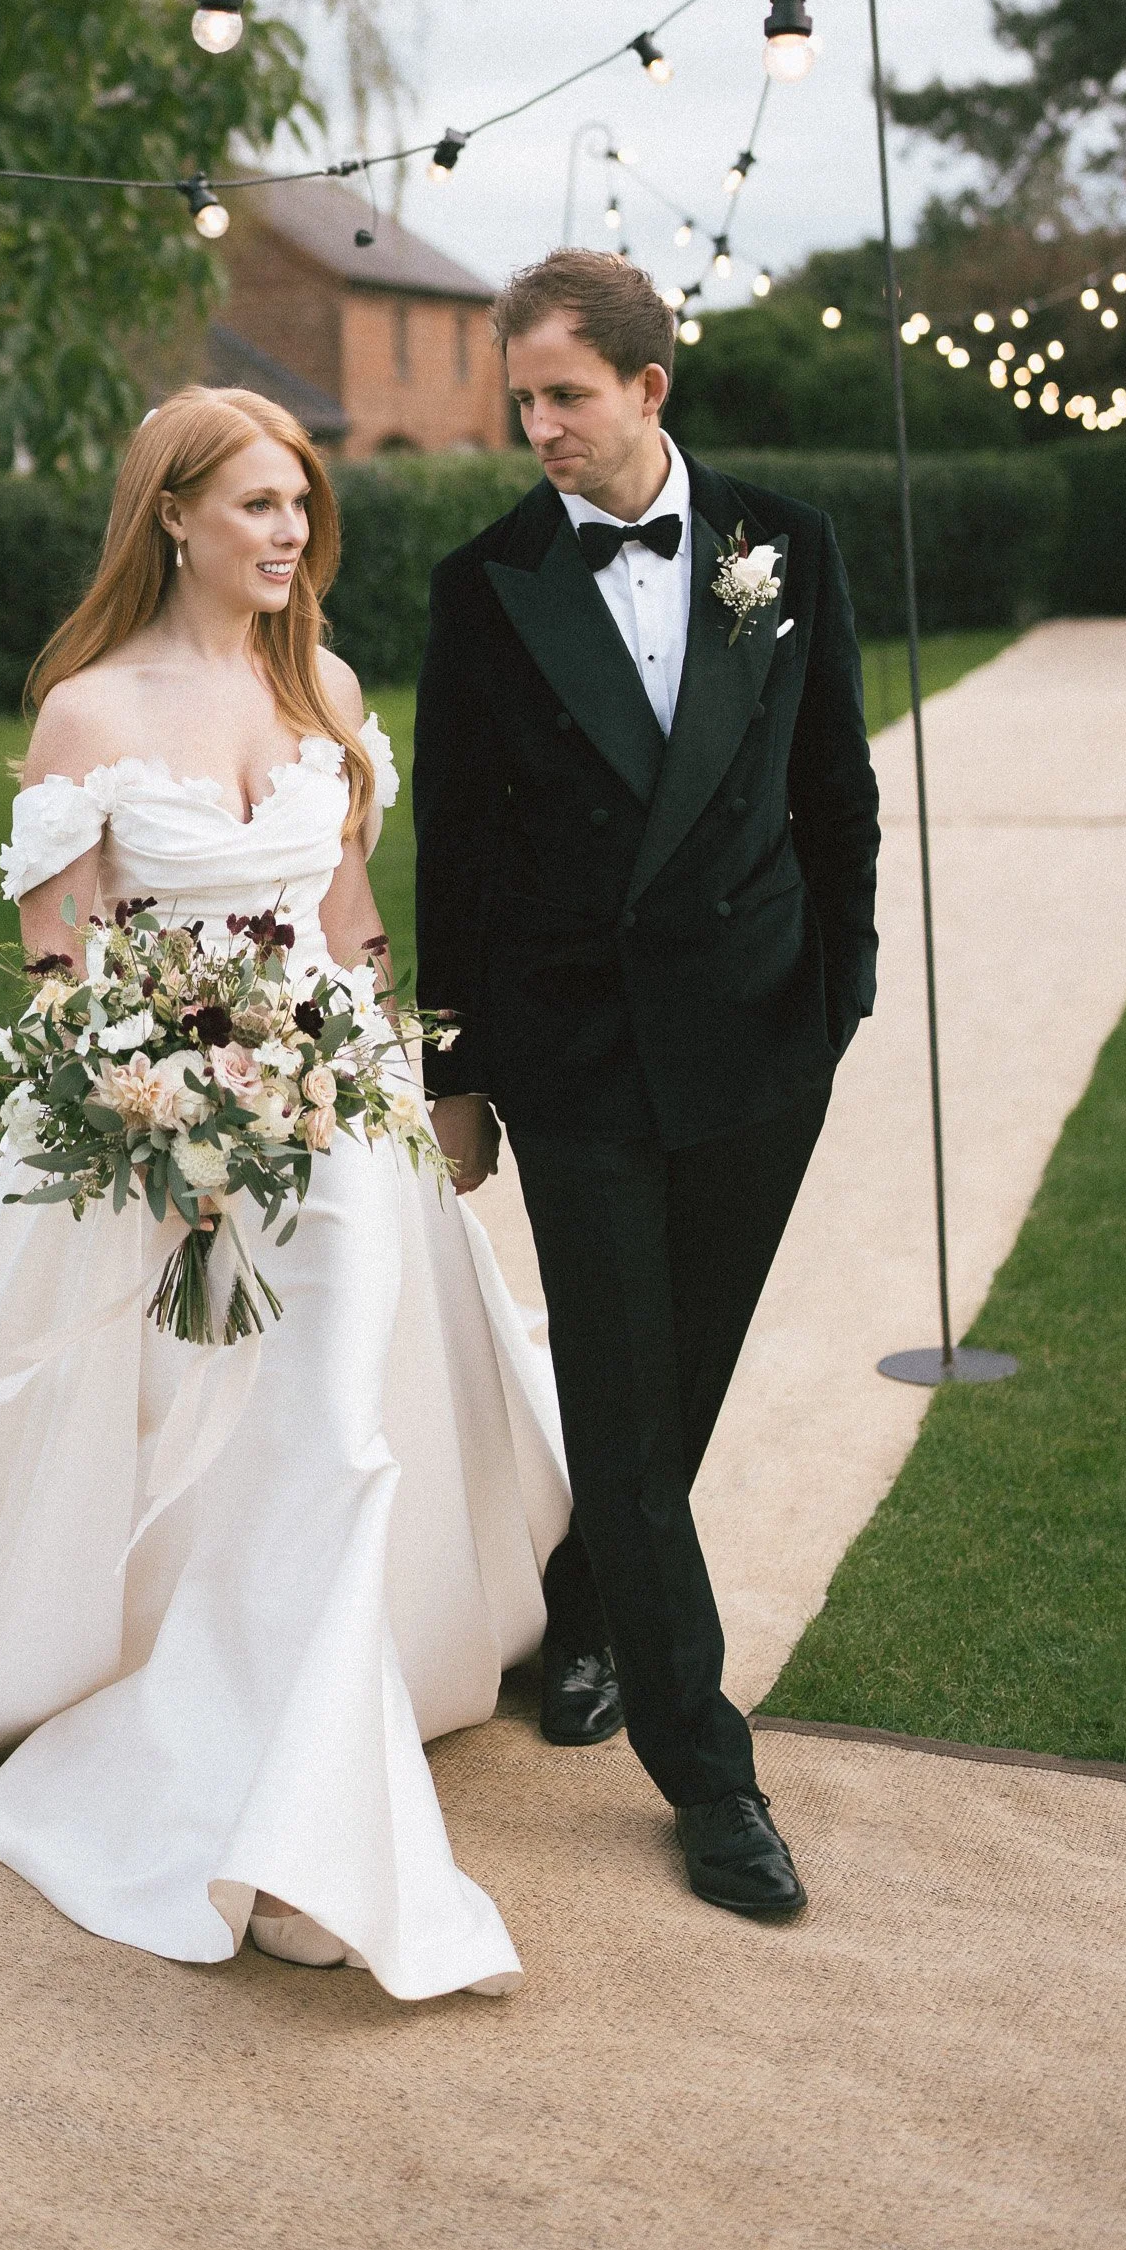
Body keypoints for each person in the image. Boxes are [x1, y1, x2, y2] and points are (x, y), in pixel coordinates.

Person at [0, 386, 569, 2002]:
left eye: (303, 505)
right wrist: (164, 1110)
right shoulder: (88, 715)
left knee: (339, 1439)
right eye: (258, 505)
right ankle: (278, 1808)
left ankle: (310, 1806)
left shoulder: (320, 683)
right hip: (161, 1138)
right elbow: (63, 970)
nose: (291, 533)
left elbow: (350, 923)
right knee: (266, 1451)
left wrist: (388, 1069)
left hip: (342, 1144)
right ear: (171, 516)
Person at [413, 250, 880, 1922]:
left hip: (761, 1043)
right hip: (581, 1057)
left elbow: (836, 788)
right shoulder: (487, 587)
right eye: (520, 398)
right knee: (623, 1401)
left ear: (649, 391)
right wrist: (454, 1072)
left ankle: (585, 1607)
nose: (537, 426)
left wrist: (842, 998)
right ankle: (712, 1771)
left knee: (670, 1397)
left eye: (567, 395)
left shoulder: (784, 546)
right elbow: (450, 847)